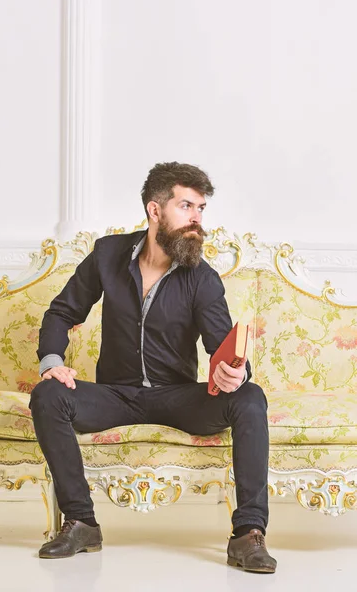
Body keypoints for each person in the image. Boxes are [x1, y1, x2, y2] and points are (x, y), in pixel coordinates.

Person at [30, 162, 276, 573]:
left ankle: (248, 534)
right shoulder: (108, 255)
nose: (197, 217)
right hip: (115, 395)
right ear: (155, 210)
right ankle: (81, 523)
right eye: (186, 206)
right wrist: (53, 364)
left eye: (201, 208)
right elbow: (61, 312)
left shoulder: (203, 277)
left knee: (250, 397)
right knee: (48, 394)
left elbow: (223, 349)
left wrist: (234, 372)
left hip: (178, 398)